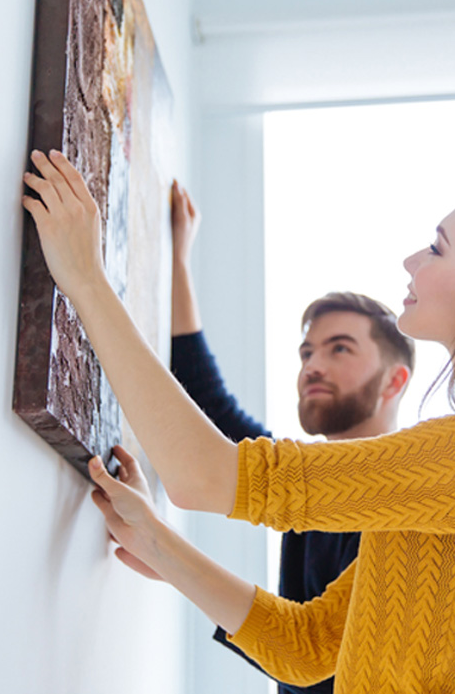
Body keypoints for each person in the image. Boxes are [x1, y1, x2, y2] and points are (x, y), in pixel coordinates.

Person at [22, 150, 455, 694]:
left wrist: (86, 279)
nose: (412, 259)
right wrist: (155, 540)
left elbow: (201, 476)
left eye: (439, 247)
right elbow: (307, 647)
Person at [167, 182, 414, 694]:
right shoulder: (305, 483)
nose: (313, 367)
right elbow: (210, 410)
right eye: (306, 353)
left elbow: (313, 658)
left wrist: (169, 557)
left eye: (339, 349)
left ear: (395, 381)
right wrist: (179, 260)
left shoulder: (405, 507)